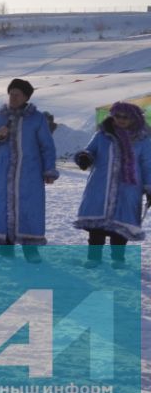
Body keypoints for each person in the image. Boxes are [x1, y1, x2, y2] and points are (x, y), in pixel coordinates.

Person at [0, 78, 58, 261]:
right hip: (2, 170)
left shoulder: (37, 118)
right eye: (11, 94)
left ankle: (30, 249)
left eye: (17, 95)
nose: (13, 97)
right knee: (0, 206)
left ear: (26, 97)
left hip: (30, 171)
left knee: (29, 208)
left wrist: (49, 169)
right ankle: (5, 246)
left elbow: (47, 146)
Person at [73, 102, 151, 268]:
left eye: (125, 117)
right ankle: (94, 258)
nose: (120, 120)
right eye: (117, 116)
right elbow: (90, 151)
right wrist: (84, 157)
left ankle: (118, 259)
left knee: (121, 226)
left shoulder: (143, 140)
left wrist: (149, 188)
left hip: (128, 190)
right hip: (101, 186)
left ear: (134, 118)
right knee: (97, 226)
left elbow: (147, 165)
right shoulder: (102, 135)